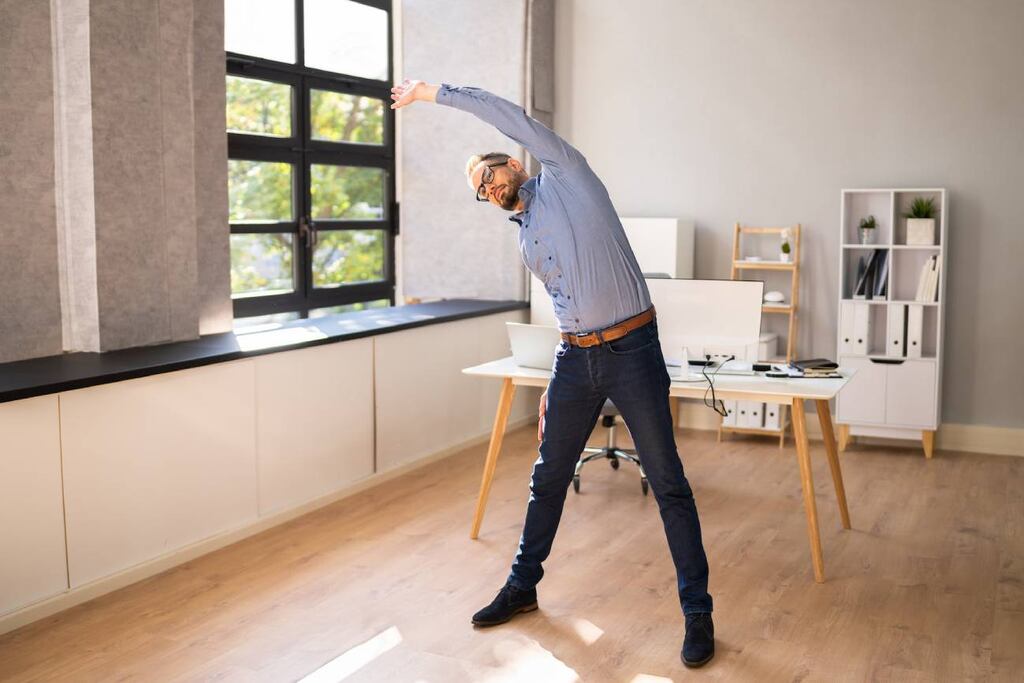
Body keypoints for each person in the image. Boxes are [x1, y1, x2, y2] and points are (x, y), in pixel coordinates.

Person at [390, 79, 715, 668]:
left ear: (514, 163)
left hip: (633, 350)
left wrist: (430, 93)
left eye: (490, 175)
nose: (489, 189)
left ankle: (697, 611)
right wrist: (558, 384)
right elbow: (567, 304)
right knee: (546, 477)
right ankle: (522, 587)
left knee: (669, 481)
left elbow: (504, 113)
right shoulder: (525, 238)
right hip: (575, 360)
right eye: (480, 190)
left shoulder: (568, 175)